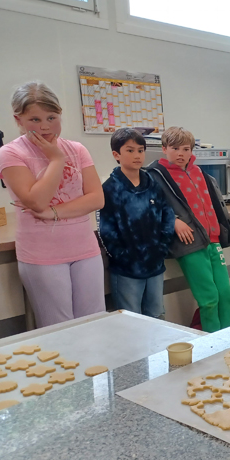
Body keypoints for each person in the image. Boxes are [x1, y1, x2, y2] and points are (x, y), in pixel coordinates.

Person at [0, 82, 105, 328]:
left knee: (95, 323)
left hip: (84, 248)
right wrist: (57, 159)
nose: (44, 126)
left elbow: (97, 198)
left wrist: (53, 212)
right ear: (19, 120)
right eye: (34, 119)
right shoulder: (11, 153)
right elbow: (36, 200)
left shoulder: (77, 149)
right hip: (42, 254)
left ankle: (94, 369)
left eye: (51, 117)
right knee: (59, 328)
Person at [148, 126, 230, 332]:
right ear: (164, 149)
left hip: (213, 240)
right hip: (190, 244)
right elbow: (149, 207)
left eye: (186, 149)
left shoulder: (199, 172)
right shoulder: (155, 175)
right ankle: (213, 345)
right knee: (209, 299)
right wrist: (172, 220)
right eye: (176, 148)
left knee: (226, 295)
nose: (181, 154)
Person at [97, 128, 175, 318]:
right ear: (116, 154)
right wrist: (123, 256)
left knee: (157, 314)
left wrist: (162, 247)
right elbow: (107, 230)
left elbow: (167, 214)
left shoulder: (153, 184)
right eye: (130, 150)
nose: (137, 156)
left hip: (155, 264)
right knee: (131, 319)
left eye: (140, 150)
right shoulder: (110, 188)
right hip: (127, 269)